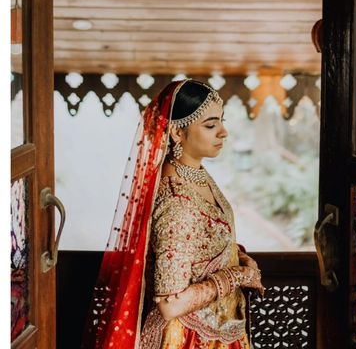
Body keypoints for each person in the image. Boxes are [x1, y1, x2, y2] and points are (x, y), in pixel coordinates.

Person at [82, 79, 264, 349]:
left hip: (217, 329)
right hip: (187, 338)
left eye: (221, 122)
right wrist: (238, 276)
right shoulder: (175, 201)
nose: (223, 132)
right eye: (211, 125)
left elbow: (203, 238)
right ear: (178, 133)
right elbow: (171, 304)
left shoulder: (196, 176)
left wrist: (236, 257)